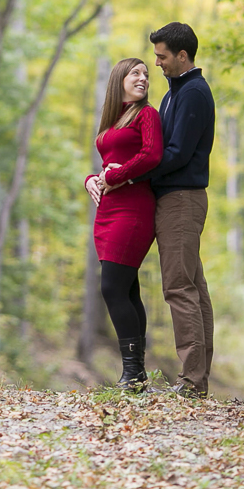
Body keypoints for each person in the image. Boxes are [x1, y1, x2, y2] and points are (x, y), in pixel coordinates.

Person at [83, 57, 162, 391]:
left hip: (133, 207)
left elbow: (151, 155)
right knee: (127, 289)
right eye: (135, 73)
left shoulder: (147, 115)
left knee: (112, 287)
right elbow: (105, 163)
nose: (143, 78)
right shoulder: (115, 117)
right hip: (108, 209)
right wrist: (91, 179)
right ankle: (137, 375)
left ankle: (133, 372)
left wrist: (116, 175)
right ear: (119, 79)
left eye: (146, 74)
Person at [149, 21, 215, 397]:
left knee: (178, 287)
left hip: (181, 199)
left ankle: (192, 382)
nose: (157, 63)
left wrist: (135, 173)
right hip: (178, 198)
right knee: (193, 286)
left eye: (162, 56)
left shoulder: (192, 93)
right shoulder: (174, 92)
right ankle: (198, 377)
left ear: (182, 55)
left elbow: (176, 154)